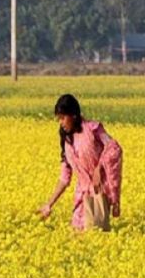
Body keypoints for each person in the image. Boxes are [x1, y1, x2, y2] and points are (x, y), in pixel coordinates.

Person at [38, 94, 123, 230]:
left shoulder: (93, 129)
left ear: (74, 115)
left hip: (98, 192)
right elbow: (64, 179)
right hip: (81, 197)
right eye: (58, 119)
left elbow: (114, 147)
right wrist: (49, 204)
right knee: (78, 235)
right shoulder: (66, 142)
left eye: (63, 118)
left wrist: (99, 168)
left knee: (95, 233)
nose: (61, 122)